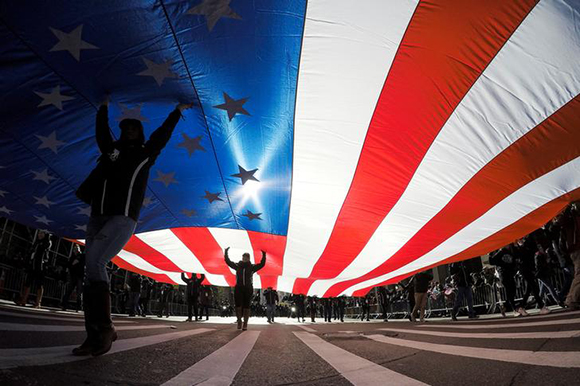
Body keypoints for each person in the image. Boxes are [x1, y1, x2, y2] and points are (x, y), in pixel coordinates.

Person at [72, 95, 193, 356]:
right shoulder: (113, 153)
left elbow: (161, 136)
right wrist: (102, 107)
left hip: (122, 217)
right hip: (97, 216)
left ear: (140, 133)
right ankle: (93, 335)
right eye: (125, 127)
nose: (128, 130)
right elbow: (103, 137)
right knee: (89, 272)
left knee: (95, 263)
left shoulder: (143, 155)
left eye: (134, 128)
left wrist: (177, 111)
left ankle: (105, 329)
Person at [224, 247, 266, 330]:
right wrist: (226, 252)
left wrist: (264, 255)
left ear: (249, 259)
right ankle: (239, 321)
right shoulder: (237, 266)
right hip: (238, 288)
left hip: (248, 288)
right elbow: (228, 262)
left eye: (246, 258)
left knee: (247, 306)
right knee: (238, 305)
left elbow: (262, 264)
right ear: (242, 258)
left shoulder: (252, 267)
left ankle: (245, 323)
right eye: (243, 258)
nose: (244, 259)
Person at [15, 230, 51, 308]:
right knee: (27, 282)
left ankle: (38, 302)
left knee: (39, 284)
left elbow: (45, 250)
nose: (40, 234)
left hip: (40, 267)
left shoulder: (47, 242)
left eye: (42, 233)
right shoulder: (36, 242)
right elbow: (31, 252)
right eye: (39, 233)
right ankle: (23, 300)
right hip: (32, 265)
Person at [490, 245, 519, 316]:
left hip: (510, 274)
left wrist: (514, 270)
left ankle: (504, 307)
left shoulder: (510, 252)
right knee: (509, 291)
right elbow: (492, 261)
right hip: (503, 275)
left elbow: (514, 262)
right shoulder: (500, 252)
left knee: (513, 291)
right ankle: (514, 310)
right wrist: (490, 253)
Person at [562, 202, 580, 309]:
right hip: (576, 249)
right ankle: (571, 299)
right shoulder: (570, 216)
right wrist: (568, 208)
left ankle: (573, 299)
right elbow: (560, 222)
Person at [61, 244, 85, 311]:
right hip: (73, 276)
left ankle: (78, 307)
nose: (75, 249)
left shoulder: (82, 256)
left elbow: (80, 263)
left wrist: (75, 263)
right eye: (74, 248)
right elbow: (69, 264)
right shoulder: (72, 257)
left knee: (79, 292)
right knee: (69, 290)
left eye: (77, 248)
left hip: (79, 276)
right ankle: (64, 305)